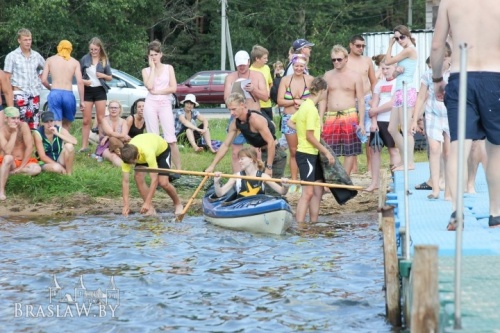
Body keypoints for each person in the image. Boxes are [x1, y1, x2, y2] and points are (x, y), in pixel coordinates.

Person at [430, 0, 500, 229]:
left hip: (462, 78)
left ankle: (456, 212)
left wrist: (437, 79)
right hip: (495, 78)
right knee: (495, 149)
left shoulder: (450, 2)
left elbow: (437, 46)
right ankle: (495, 213)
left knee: (459, 147)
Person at [205, 92, 287, 195]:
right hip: (261, 153)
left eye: (234, 109)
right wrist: (212, 165)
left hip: (275, 154)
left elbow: (270, 142)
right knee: (260, 189)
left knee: (272, 190)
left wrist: (269, 167)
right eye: (229, 110)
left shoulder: (255, 119)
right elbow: (226, 145)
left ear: (243, 105)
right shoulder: (235, 123)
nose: (231, 113)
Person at [287, 76, 334, 222]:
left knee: (318, 189)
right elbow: (310, 137)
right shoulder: (311, 110)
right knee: (307, 193)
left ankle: (314, 222)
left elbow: (290, 122)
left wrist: (300, 131)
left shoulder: (305, 105)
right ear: (322, 91)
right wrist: (327, 152)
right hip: (306, 154)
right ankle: (300, 225)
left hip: (313, 154)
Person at [410, 43, 452, 200]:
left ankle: (448, 189)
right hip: (433, 113)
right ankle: (435, 188)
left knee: (448, 153)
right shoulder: (428, 74)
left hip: (450, 114)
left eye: (445, 58)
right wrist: (415, 119)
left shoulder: (454, 74)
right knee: (434, 149)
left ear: (450, 58)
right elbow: (421, 97)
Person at [320, 44, 365, 176]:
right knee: (327, 147)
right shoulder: (327, 75)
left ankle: (345, 178)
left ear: (346, 59)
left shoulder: (355, 76)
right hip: (331, 116)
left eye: (339, 59)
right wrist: (320, 119)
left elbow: (361, 100)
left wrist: (361, 122)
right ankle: (331, 179)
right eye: (333, 60)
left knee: (349, 149)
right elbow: (323, 99)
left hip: (349, 115)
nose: (336, 62)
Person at [223, 50, 268, 172]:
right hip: (238, 118)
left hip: (254, 116)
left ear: (249, 62)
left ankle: (258, 178)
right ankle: (238, 181)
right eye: (239, 65)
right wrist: (236, 94)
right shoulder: (230, 77)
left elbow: (265, 97)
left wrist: (253, 89)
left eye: (244, 64)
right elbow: (226, 99)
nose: (242, 67)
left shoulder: (258, 76)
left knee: (256, 151)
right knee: (235, 152)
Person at [120, 133, 183, 217]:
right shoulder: (126, 157)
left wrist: (147, 202)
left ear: (137, 155)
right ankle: (150, 209)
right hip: (143, 153)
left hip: (162, 151)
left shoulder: (147, 152)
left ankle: (178, 204)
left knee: (163, 182)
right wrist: (126, 205)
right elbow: (125, 182)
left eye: (133, 162)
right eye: (130, 163)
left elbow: (154, 179)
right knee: (138, 177)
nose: (132, 164)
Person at [142, 40, 181, 171]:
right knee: (153, 137)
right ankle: (157, 168)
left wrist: (159, 91)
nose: (154, 57)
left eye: (155, 54)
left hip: (165, 103)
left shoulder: (169, 68)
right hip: (151, 103)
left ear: (161, 54)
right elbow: (149, 86)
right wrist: (152, 68)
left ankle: (179, 169)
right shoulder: (146, 70)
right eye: (151, 55)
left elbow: (173, 88)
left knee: (171, 138)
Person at [277, 54, 314, 188]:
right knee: (293, 151)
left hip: (305, 119)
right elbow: (280, 101)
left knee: (306, 150)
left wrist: (303, 103)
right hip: (289, 118)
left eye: (301, 66)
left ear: (305, 67)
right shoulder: (286, 80)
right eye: (296, 66)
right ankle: (294, 180)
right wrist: (294, 101)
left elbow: (317, 98)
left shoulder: (310, 80)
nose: (299, 68)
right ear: (292, 66)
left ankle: (305, 179)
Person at [385, 25, 418, 171]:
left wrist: (390, 45)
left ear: (408, 35)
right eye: (396, 38)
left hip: (407, 89)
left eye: (401, 37)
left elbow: (387, 61)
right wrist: (397, 73)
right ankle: (405, 160)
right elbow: (393, 74)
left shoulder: (409, 50)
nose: (399, 40)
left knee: (406, 129)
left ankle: (409, 163)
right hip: (399, 90)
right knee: (392, 128)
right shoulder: (405, 52)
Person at [365, 59, 401, 192]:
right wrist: (373, 121)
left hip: (392, 120)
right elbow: (374, 102)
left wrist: (376, 110)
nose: (385, 71)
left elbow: (394, 102)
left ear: (395, 67)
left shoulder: (399, 82)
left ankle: (397, 182)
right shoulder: (379, 84)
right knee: (374, 150)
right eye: (383, 68)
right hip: (378, 121)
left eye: (388, 68)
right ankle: (375, 183)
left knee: (393, 150)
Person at [347, 35, 377, 175]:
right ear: (351, 45)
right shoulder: (344, 60)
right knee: (353, 134)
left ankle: (370, 167)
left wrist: (375, 98)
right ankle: (354, 168)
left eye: (363, 46)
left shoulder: (367, 60)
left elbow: (373, 81)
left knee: (370, 133)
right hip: (351, 100)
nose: (361, 48)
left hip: (366, 98)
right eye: (358, 45)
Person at [3, 28, 45, 130]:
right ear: (19, 40)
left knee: (34, 124)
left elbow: (47, 67)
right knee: (19, 123)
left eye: (30, 39)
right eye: (25, 40)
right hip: (19, 93)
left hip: (34, 93)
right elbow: (6, 78)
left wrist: (40, 74)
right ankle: (18, 144)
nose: (28, 42)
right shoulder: (12, 56)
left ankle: (31, 145)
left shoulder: (36, 55)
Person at [41, 40, 84, 131]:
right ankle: (65, 144)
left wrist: (51, 88)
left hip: (55, 92)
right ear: (70, 49)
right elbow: (80, 82)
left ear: (58, 48)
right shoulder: (75, 62)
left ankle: (59, 144)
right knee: (67, 123)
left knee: (57, 124)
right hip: (68, 94)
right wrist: (82, 101)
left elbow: (43, 80)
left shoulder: (50, 60)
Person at [0, 107, 42, 200]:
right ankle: (1, 190)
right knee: (8, 158)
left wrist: (21, 167)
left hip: (23, 161)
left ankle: (10, 173)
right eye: (13, 118)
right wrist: (14, 133)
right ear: (6, 119)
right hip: (9, 161)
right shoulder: (1, 131)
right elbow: (7, 151)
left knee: (36, 169)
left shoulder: (24, 126)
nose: (16, 121)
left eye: (18, 118)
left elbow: (29, 147)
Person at [213, 147, 289, 198]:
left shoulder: (263, 176)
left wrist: (285, 186)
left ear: (251, 159)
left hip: (259, 206)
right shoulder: (236, 177)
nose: (239, 161)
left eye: (242, 159)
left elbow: (282, 192)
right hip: (242, 208)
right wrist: (216, 182)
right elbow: (220, 194)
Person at [79, 37, 112, 153]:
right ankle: (84, 146)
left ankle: (102, 145)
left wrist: (102, 76)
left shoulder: (104, 60)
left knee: (101, 119)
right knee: (86, 120)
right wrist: (84, 82)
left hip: (100, 90)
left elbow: (110, 77)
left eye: (95, 50)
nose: (93, 52)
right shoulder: (84, 59)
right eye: (91, 49)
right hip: (88, 90)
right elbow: (78, 77)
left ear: (100, 49)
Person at [33, 111, 77, 175]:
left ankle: (69, 174)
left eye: (51, 121)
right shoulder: (38, 133)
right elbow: (42, 157)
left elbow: (74, 142)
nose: (49, 124)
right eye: (46, 122)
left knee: (69, 146)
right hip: (45, 162)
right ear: (42, 123)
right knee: (56, 168)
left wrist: (57, 133)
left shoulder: (59, 129)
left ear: (54, 121)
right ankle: (61, 170)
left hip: (59, 158)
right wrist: (57, 165)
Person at [95, 100, 130, 167]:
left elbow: (123, 136)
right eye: (111, 107)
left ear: (120, 109)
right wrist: (109, 136)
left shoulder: (123, 121)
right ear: (108, 109)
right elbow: (111, 133)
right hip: (105, 145)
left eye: (115, 108)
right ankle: (125, 166)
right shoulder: (104, 120)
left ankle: (126, 159)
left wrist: (107, 136)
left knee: (114, 140)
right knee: (113, 156)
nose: (113, 109)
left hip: (119, 143)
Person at [250, 45, 274, 120]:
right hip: (257, 105)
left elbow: (270, 83)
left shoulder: (266, 68)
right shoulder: (250, 71)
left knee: (270, 127)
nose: (266, 60)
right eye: (264, 58)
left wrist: (269, 92)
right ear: (257, 59)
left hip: (268, 104)